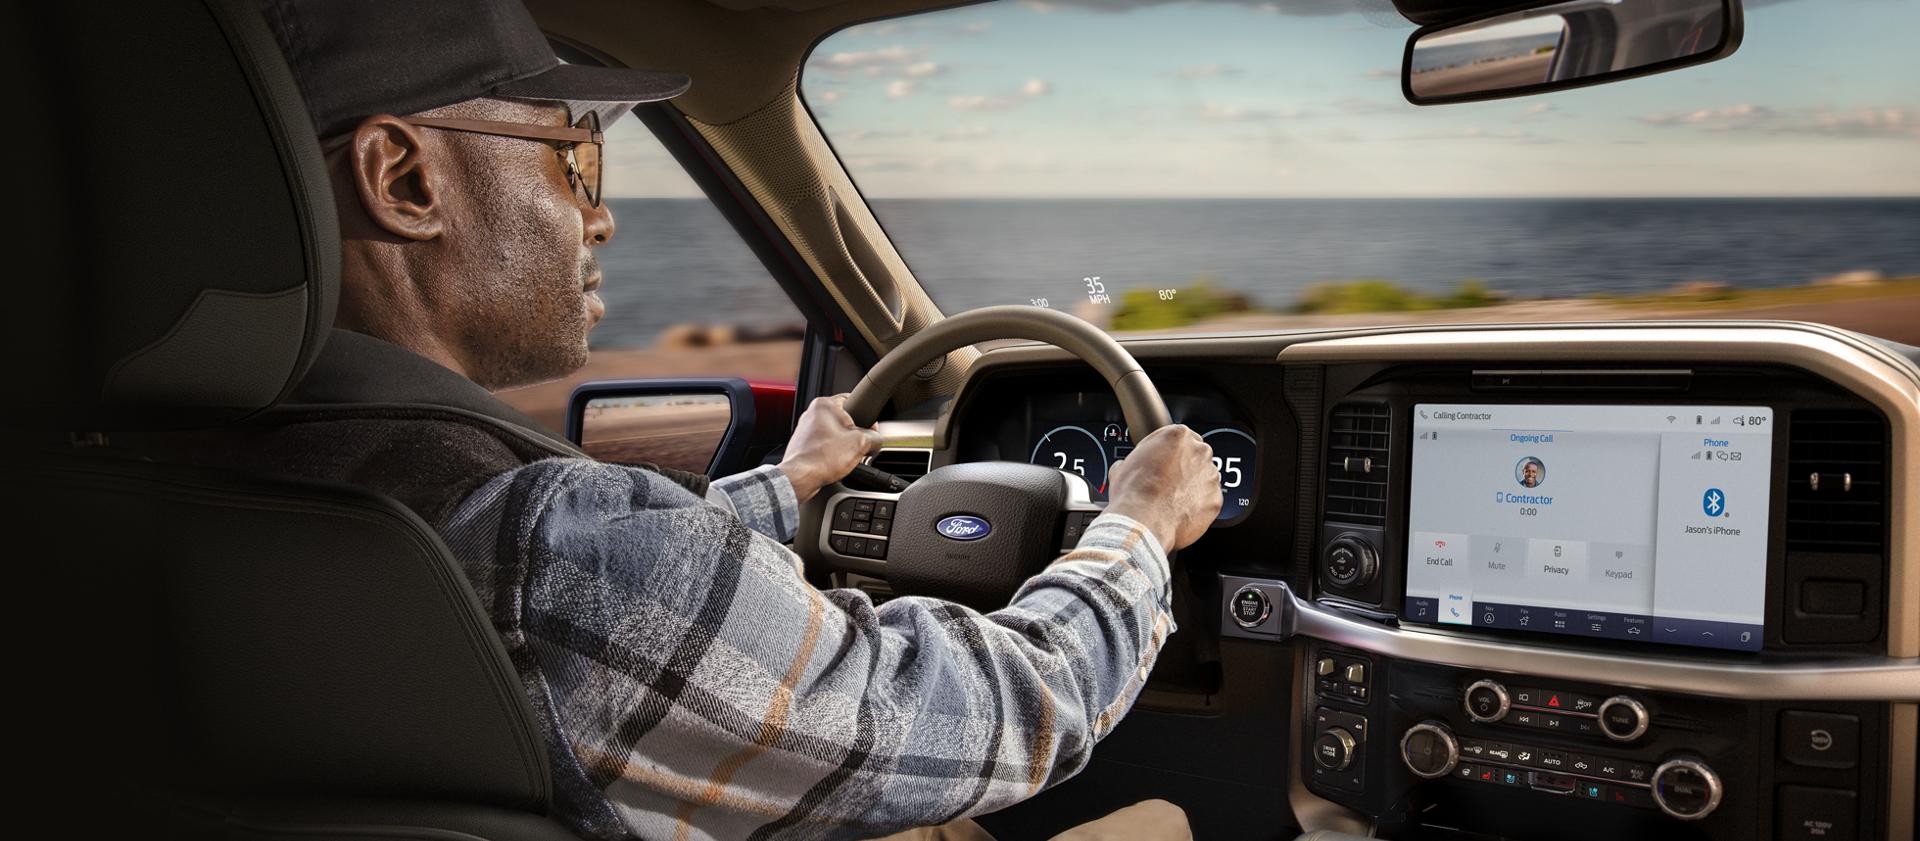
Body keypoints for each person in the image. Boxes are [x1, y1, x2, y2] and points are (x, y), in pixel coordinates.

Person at [215, 1, 1224, 838]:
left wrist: (789, 486)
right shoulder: (554, 553)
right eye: (576, 156)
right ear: (405, 181)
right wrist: (1136, 526)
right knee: (1170, 819)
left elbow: (634, 593)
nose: (600, 216)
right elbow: (1006, 711)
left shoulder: (190, 476)